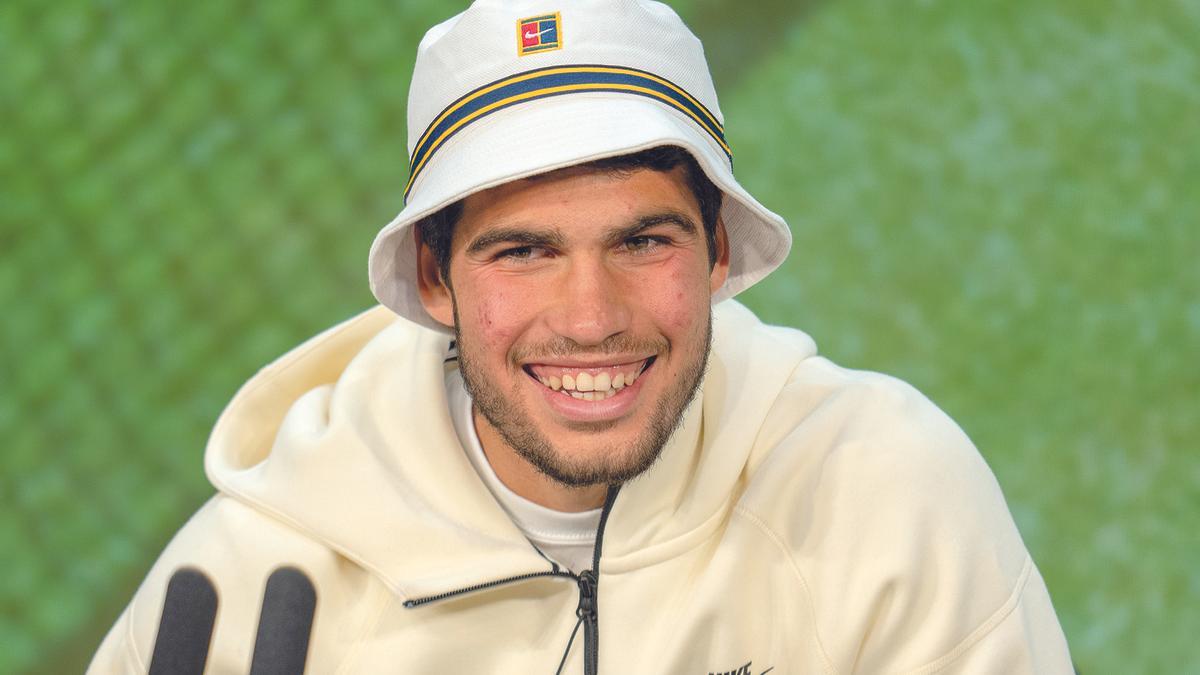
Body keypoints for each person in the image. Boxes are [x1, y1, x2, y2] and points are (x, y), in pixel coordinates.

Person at [90, 1, 1075, 673]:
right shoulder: (252, 581)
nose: (592, 317)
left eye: (643, 241)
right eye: (523, 251)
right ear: (434, 278)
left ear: (718, 252)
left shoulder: (886, 494)